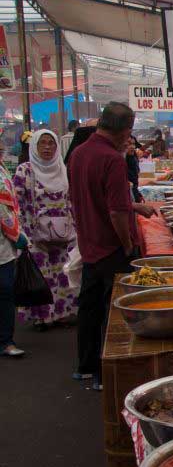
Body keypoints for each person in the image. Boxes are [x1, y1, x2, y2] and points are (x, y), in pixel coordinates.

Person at [69, 102, 155, 390]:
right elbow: (116, 212)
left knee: (89, 305)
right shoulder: (113, 159)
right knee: (116, 312)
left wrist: (134, 208)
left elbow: (101, 198)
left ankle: (85, 366)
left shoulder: (79, 153)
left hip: (89, 242)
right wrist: (128, 244)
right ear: (125, 130)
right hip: (110, 247)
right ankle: (105, 377)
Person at [13, 129, 78, 330]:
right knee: (42, 275)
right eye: (43, 143)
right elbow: (17, 202)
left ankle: (62, 314)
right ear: (34, 146)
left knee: (63, 273)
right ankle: (43, 317)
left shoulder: (62, 169)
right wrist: (24, 232)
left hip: (63, 234)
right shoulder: (25, 171)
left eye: (51, 143)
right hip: (36, 234)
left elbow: (71, 200)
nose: (48, 147)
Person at [1, 158, 29, 357]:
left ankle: (5, 341)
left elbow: (7, 207)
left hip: (3, 246)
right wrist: (16, 234)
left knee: (4, 293)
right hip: (5, 239)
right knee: (4, 292)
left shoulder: (2, 169)